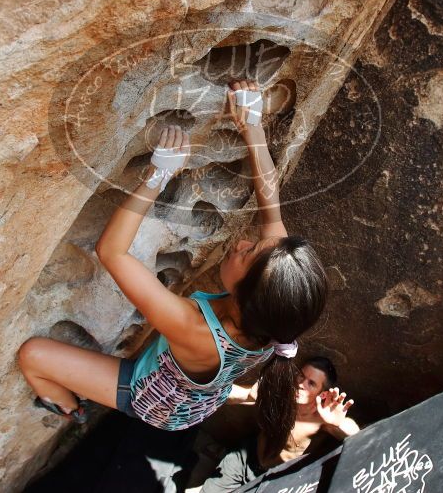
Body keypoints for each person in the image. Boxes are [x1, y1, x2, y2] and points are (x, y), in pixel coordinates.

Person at [17, 79, 329, 447]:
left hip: (158, 402)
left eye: (246, 254)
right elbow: (269, 199)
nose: (242, 243)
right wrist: (252, 125)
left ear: (247, 297)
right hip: (201, 388)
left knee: (33, 356)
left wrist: (159, 174)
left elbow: (112, 252)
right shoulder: (276, 315)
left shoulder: (194, 328)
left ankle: (69, 407)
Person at [199, 357, 359, 492]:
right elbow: (222, 397)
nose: (301, 384)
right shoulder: (281, 397)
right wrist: (247, 394)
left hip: (274, 481)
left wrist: (338, 423)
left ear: (323, 394)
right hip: (246, 459)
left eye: (311, 383)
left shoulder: (322, 421)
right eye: (301, 376)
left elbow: (356, 435)